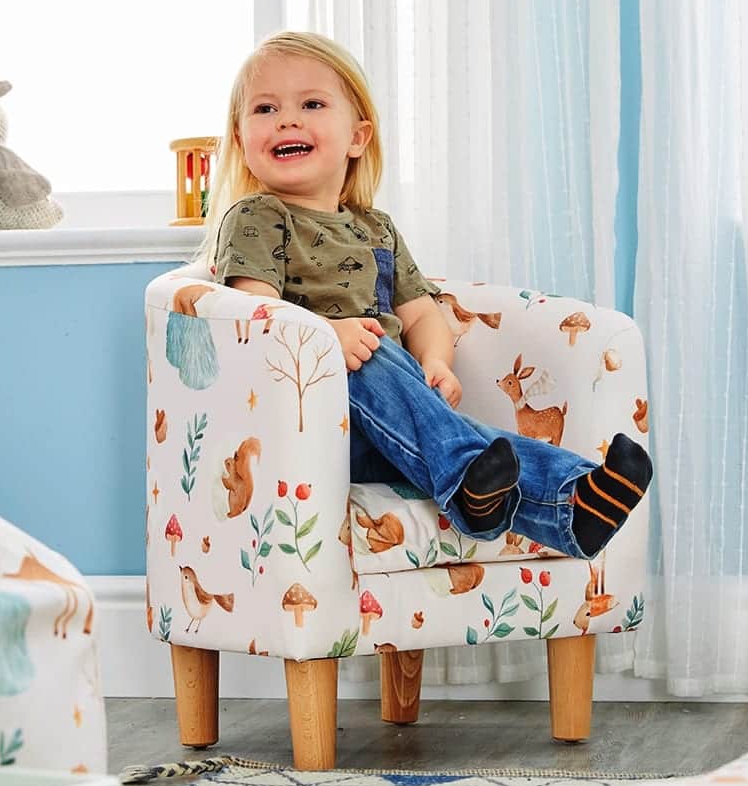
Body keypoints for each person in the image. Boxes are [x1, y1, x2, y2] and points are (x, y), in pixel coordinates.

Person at [199, 30, 652, 560]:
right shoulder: (256, 219)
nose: (287, 119)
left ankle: (576, 502)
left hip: (399, 430)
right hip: (311, 429)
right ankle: (474, 482)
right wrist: (325, 336)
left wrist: (436, 362)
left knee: (458, 429)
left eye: (312, 104)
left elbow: (422, 314)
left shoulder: (377, 230)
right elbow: (254, 318)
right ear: (240, 138)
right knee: (374, 354)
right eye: (265, 108)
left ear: (357, 138)